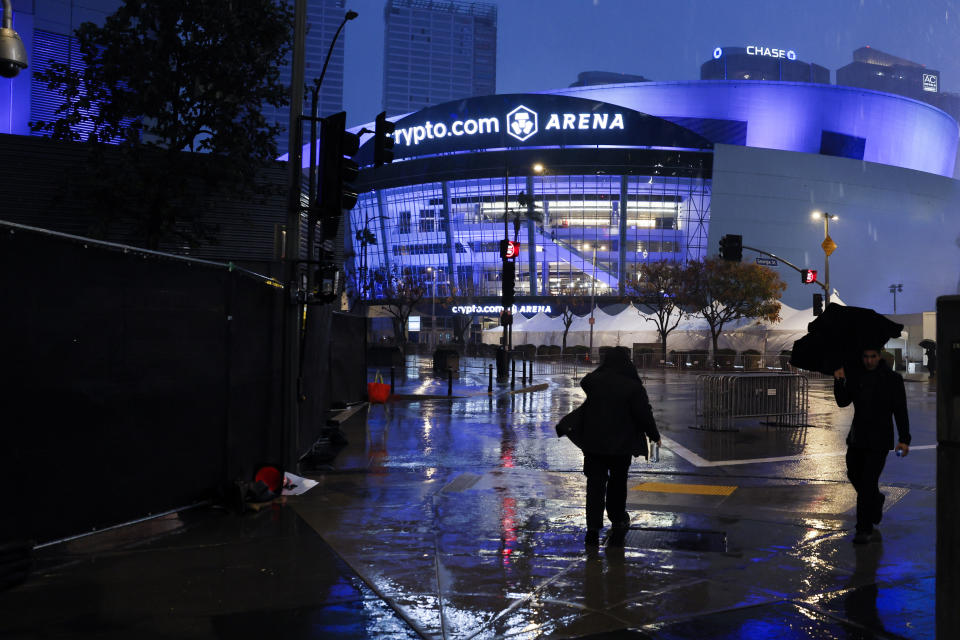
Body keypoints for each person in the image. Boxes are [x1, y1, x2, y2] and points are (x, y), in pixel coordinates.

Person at [579, 346, 660, 547]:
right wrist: (653, 435)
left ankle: (592, 528)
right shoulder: (632, 386)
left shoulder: (594, 382)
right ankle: (617, 518)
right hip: (621, 443)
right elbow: (643, 413)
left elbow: (585, 382)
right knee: (617, 482)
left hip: (594, 442)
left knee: (595, 484)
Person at [834, 347, 911, 545]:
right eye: (866, 357)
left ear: (879, 356)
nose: (869, 361)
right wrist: (839, 380)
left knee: (868, 482)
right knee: (853, 474)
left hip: (879, 440)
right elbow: (843, 401)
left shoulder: (892, 379)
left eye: (873, 356)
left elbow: (900, 410)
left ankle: (863, 529)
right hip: (857, 437)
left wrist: (904, 438)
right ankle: (876, 500)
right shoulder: (856, 376)